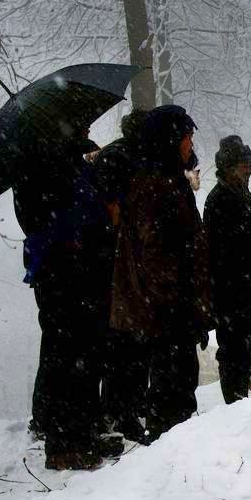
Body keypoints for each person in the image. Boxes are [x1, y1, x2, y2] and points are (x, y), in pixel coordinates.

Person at [109, 104, 212, 442]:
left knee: (179, 386)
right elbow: (156, 256)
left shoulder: (166, 180)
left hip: (171, 308)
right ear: (169, 139)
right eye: (186, 136)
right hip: (166, 311)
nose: (190, 144)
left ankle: (174, 450)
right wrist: (182, 303)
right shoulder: (155, 186)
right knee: (173, 390)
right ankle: (172, 458)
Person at [14, 128, 114, 470]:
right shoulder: (47, 169)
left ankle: (78, 438)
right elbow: (63, 218)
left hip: (73, 274)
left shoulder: (67, 165)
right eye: (80, 126)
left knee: (75, 357)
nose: (87, 129)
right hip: (65, 276)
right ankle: (67, 445)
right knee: (70, 358)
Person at [93, 109, 150, 443]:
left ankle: (121, 407)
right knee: (125, 341)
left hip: (113, 261)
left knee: (122, 341)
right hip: (118, 262)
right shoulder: (125, 159)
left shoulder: (117, 154)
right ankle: (122, 411)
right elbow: (115, 210)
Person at [204, 135, 251, 403]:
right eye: (244, 164)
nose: (249, 169)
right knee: (235, 349)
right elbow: (233, 246)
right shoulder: (222, 200)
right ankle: (234, 404)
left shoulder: (241, 196)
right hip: (230, 289)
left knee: (247, 347)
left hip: (243, 287)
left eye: (249, 163)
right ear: (229, 167)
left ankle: (238, 397)